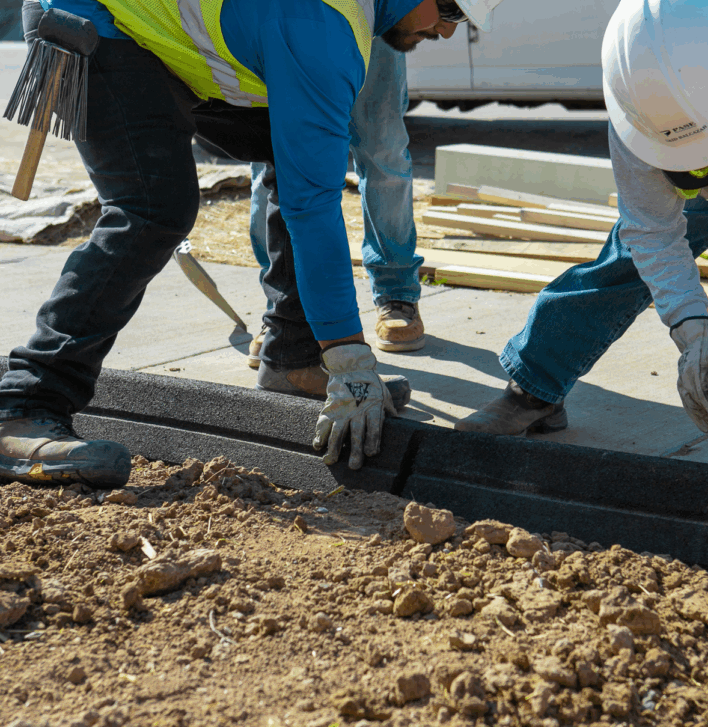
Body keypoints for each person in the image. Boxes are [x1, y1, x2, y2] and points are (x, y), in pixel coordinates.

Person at [0, 0, 504, 488]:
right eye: (451, 11)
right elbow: (312, 208)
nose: (447, 31)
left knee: (298, 151)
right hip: (95, 19)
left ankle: (293, 356)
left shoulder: (339, 22)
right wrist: (350, 357)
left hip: (166, 38)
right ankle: (25, 404)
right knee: (154, 208)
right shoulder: (323, 27)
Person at [457, 0, 708, 438]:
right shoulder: (644, 86)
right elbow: (651, 230)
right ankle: (536, 385)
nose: (705, 172)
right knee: (630, 257)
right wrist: (689, 322)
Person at [248, 37, 426, 405]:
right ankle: (283, 321)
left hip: (373, 24)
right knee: (274, 159)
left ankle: (396, 292)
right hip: (280, 22)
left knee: (382, 149)